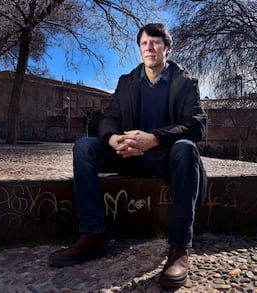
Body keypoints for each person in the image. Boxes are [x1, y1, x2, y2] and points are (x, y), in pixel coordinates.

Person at [49, 23, 206, 288]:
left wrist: (153, 138)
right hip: (129, 155)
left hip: (165, 158)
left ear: (167, 48)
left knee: (186, 147)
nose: (150, 48)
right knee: (84, 147)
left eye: (156, 43)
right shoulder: (127, 81)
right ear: (140, 49)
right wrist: (113, 138)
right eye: (145, 43)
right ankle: (92, 235)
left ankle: (179, 248)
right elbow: (109, 117)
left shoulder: (185, 82)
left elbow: (196, 124)